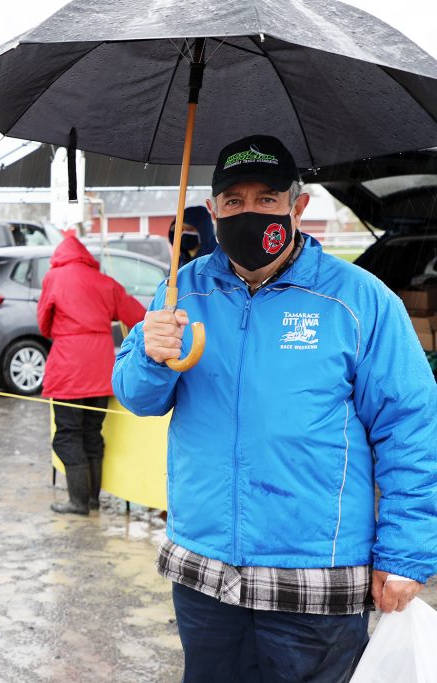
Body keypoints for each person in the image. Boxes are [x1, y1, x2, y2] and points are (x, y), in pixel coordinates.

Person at [112, 134, 437, 682]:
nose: (249, 212)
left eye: (266, 199)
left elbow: (409, 429)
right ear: (213, 211)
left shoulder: (359, 300)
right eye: (234, 202)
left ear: (298, 206)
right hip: (206, 568)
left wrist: (405, 553)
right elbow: (138, 398)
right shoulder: (180, 293)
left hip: (314, 575)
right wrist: (149, 351)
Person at [38, 235, 146, 515]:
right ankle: (93, 499)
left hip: (68, 366)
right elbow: (137, 315)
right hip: (100, 365)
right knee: (92, 434)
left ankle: (78, 501)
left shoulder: (54, 277)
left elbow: (43, 323)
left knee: (67, 435)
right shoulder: (104, 281)